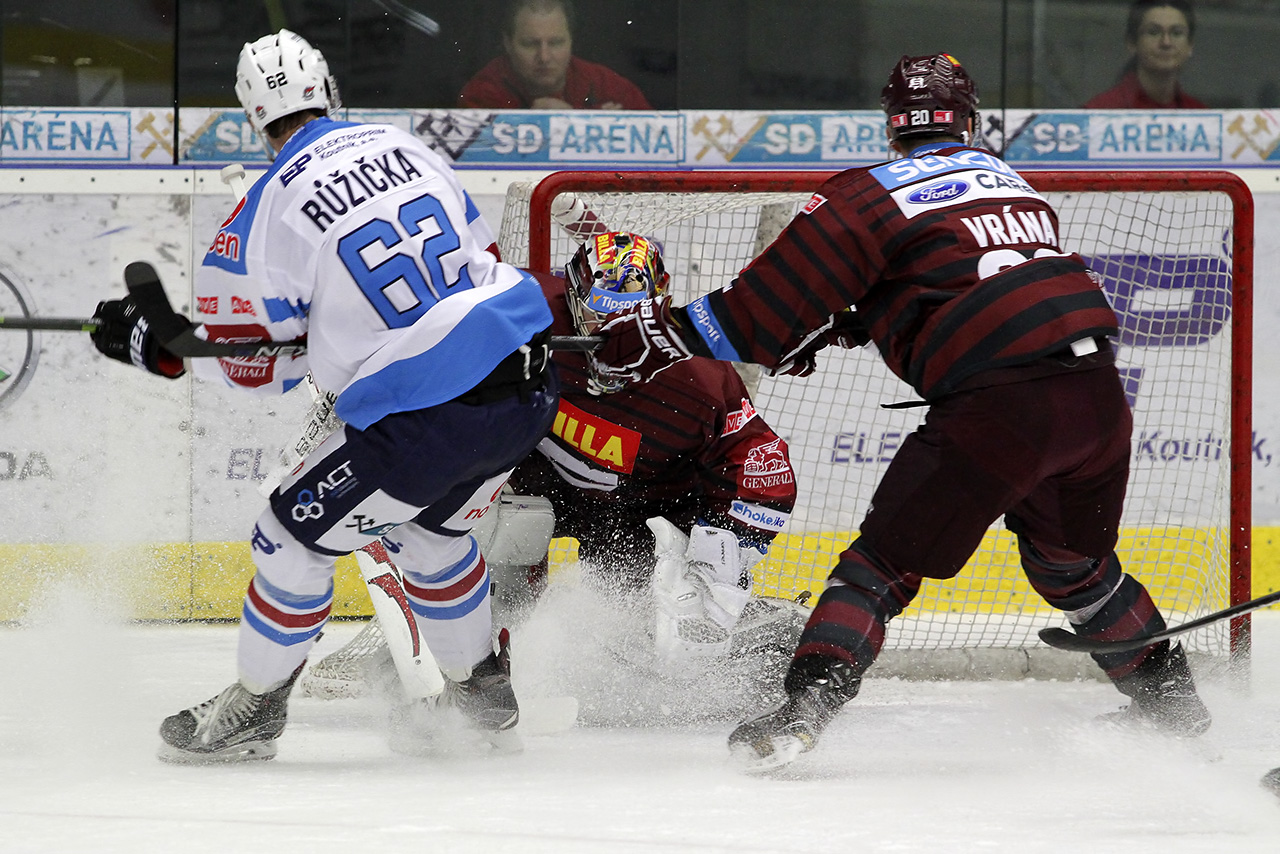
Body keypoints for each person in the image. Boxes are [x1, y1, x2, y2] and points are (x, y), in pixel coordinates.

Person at [588, 53, 1213, 770]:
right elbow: (962, 282)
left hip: (1001, 407)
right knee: (1074, 565)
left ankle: (801, 714)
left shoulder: (867, 195)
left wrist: (656, 333)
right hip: (1098, 395)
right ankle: (1174, 704)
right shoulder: (1013, 184)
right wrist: (851, 321)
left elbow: (750, 316)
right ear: (970, 123)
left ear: (892, 126)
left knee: (878, 569)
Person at [87, 29, 559, 763]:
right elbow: (482, 261)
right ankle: (481, 696)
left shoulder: (265, 207)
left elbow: (254, 364)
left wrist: (169, 350)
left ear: (253, 117)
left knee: (287, 538)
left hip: (428, 416)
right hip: (527, 382)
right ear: (330, 90)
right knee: (428, 534)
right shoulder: (409, 148)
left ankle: (254, 711)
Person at [304, 232, 802, 701]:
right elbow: (413, 309)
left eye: (631, 326)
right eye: (598, 320)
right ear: (572, 296)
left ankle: (768, 639)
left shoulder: (698, 378)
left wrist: (717, 561)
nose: (612, 345)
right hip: (538, 481)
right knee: (492, 526)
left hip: (647, 512)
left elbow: (762, 466)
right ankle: (468, 655)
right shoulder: (519, 307)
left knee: (647, 646)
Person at [457, 0, 652, 110]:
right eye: (530, 44)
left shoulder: (609, 88)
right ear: (508, 44)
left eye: (556, 43)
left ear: (571, 41)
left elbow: (658, 146)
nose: (544, 57)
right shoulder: (481, 94)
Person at [1084, 0, 1205, 109]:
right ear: (1132, 43)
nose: (1166, 42)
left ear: (1190, 45)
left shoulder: (1201, 114)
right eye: (1153, 32)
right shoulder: (1099, 111)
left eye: (1176, 33)